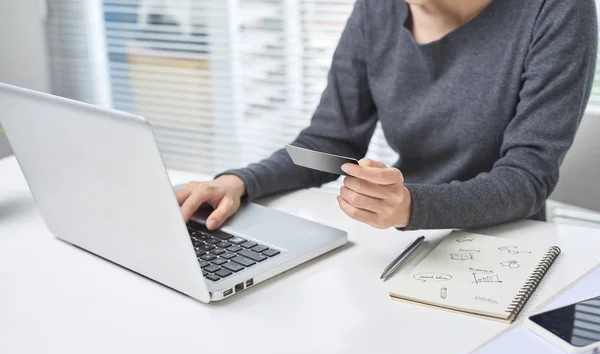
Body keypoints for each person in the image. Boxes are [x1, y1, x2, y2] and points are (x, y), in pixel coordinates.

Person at [176, 0, 598, 231]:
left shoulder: (557, 9)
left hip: (504, 241)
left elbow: (527, 179)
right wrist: (240, 181)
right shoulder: (375, 9)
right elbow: (330, 144)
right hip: (398, 233)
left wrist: (412, 205)